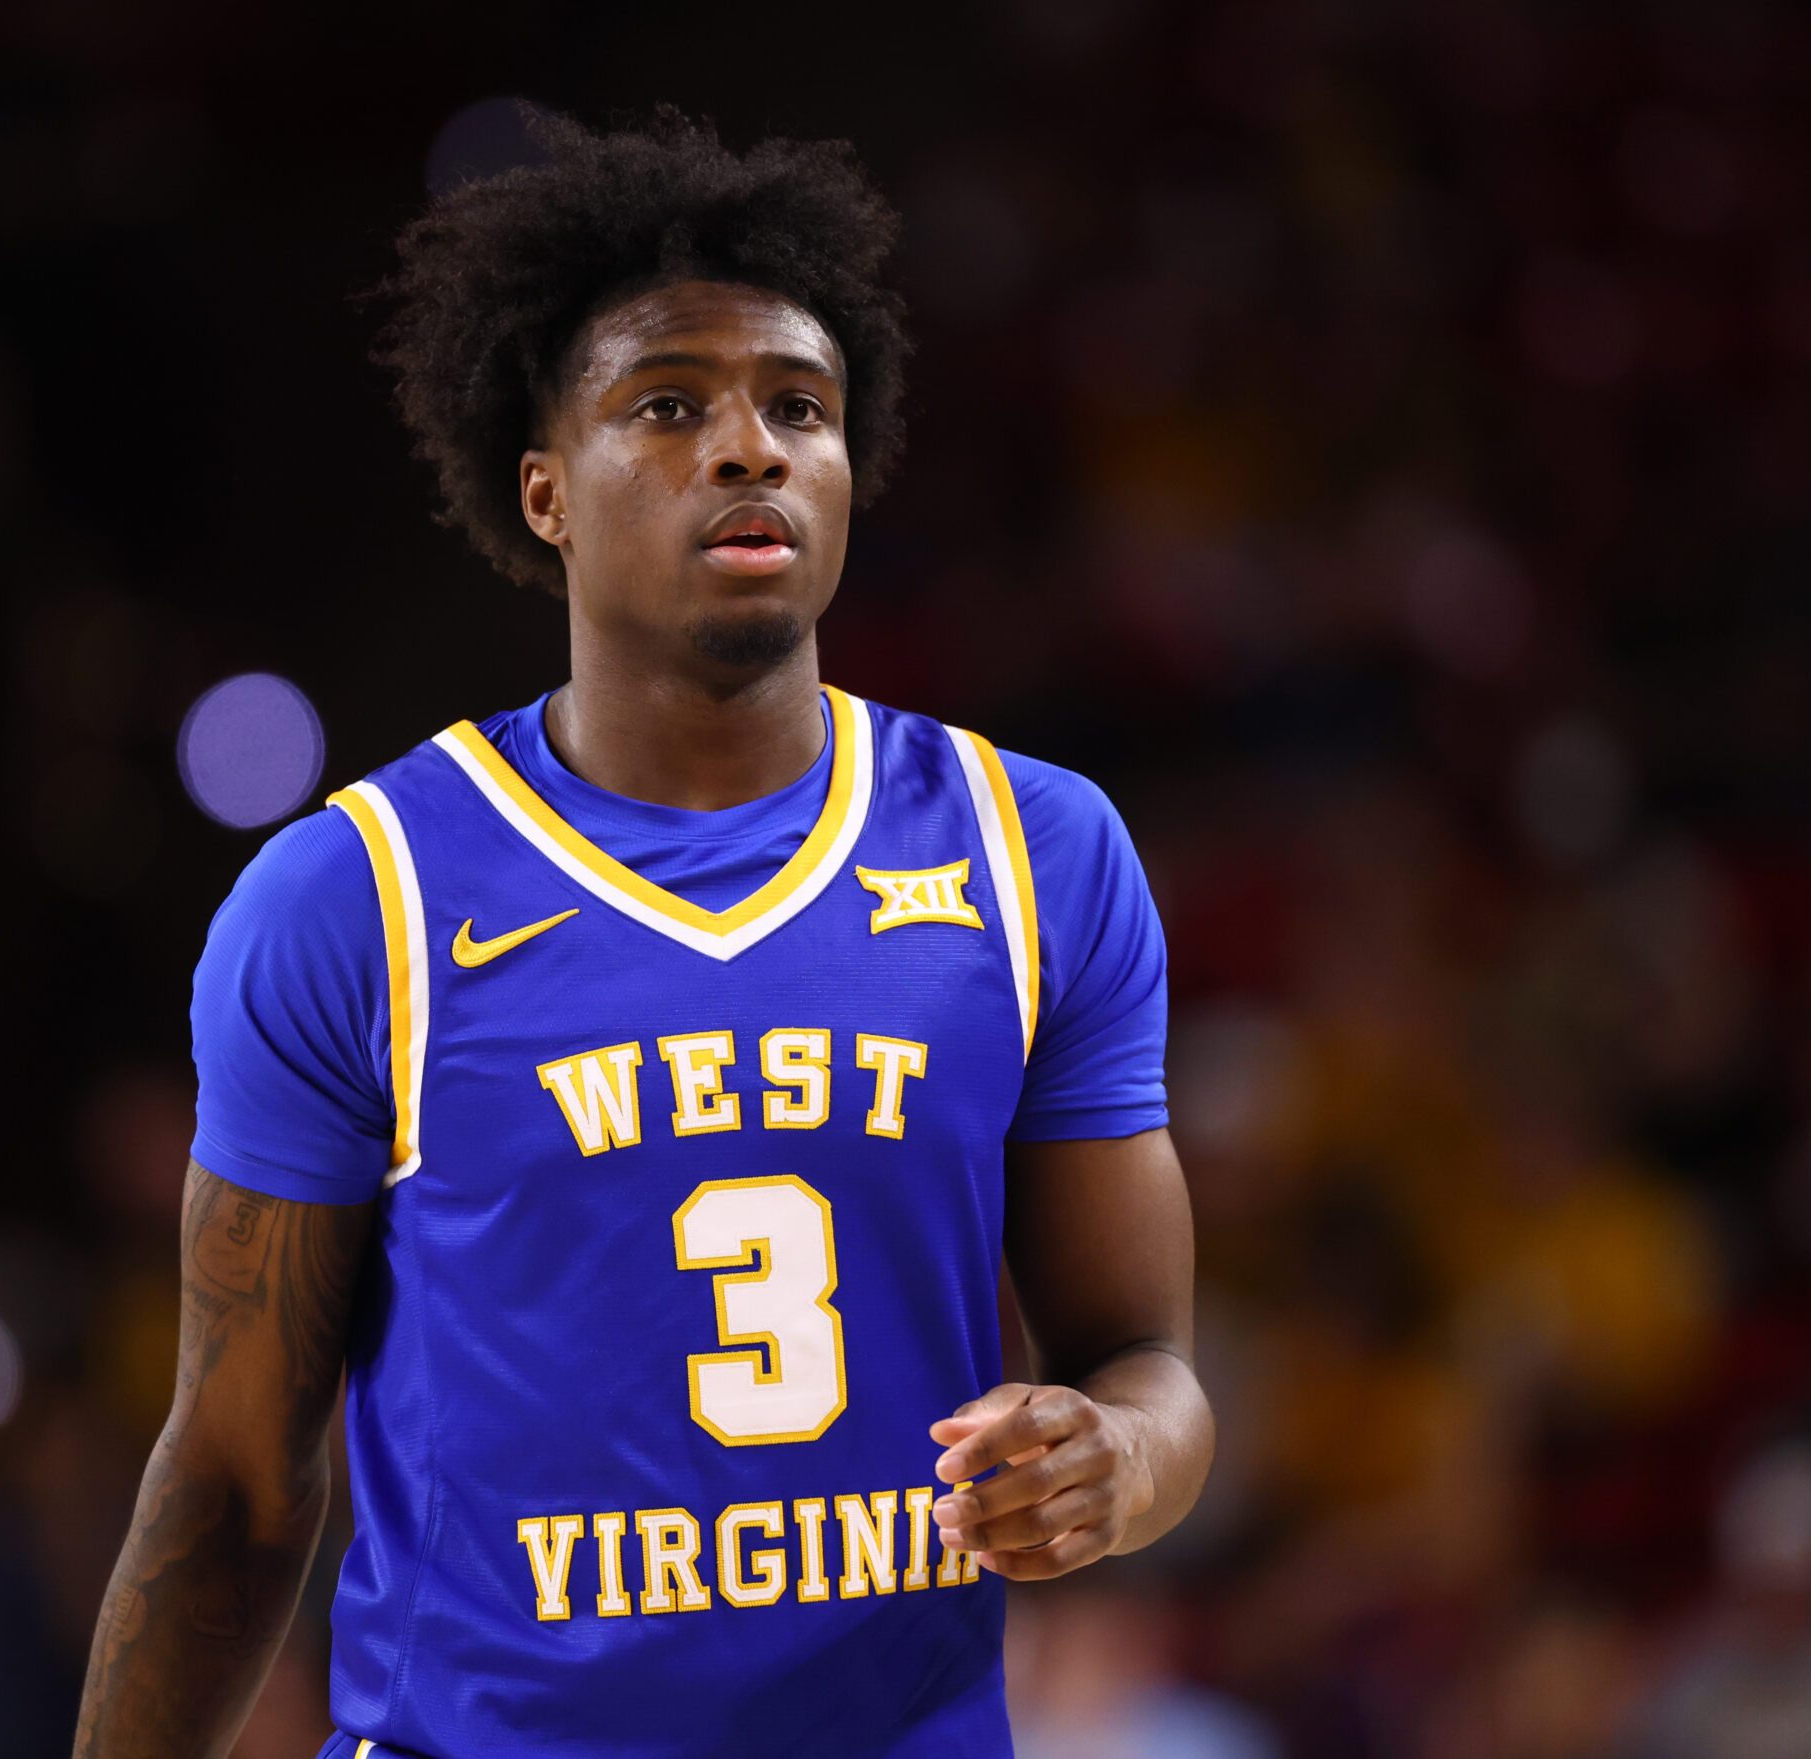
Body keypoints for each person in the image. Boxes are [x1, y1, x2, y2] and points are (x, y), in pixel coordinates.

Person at [73, 107, 1215, 1759]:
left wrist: (1121, 1464)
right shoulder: (356, 900)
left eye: (797, 410)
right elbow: (240, 1476)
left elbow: (1149, 1364)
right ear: (543, 490)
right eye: (668, 407)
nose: (749, 447)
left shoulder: (1035, 853)